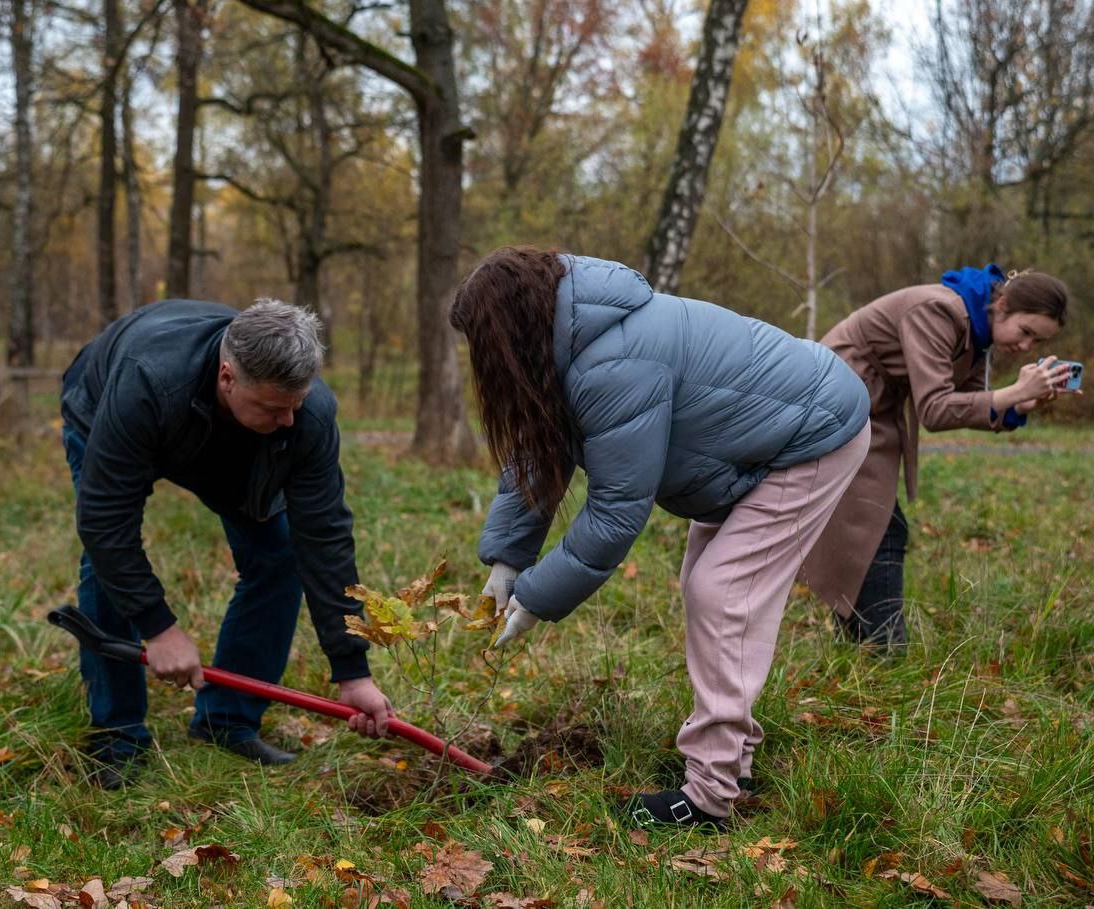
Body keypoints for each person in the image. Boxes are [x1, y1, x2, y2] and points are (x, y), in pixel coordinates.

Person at [453, 248, 871, 830]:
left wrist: (538, 596)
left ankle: (708, 797)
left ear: (511, 328)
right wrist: (506, 559)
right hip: (759, 442)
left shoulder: (614, 359)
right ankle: (733, 760)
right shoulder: (573, 341)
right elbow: (536, 456)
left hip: (812, 433)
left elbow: (617, 510)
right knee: (719, 594)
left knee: (721, 594)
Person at [59, 298, 394, 788]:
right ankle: (117, 735)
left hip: (232, 440)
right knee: (107, 563)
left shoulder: (303, 416)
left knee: (278, 556)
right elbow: (105, 522)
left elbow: (323, 537)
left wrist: (352, 671)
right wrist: (159, 628)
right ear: (227, 377)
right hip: (107, 407)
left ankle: (227, 722)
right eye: (275, 407)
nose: (289, 422)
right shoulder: (146, 381)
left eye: (296, 404)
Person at [801, 266, 1072, 651]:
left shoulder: (977, 332)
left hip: (870, 407)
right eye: (1026, 332)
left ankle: (860, 642)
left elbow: (969, 403)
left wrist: (1020, 403)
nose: (1026, 346)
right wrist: (1012, 393)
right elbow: (935, 410)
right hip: (834, 397)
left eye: (1037, 341)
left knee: (876, 523)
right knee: (876, 524)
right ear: (1003, 304)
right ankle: (883, 649)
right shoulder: (938, 311)